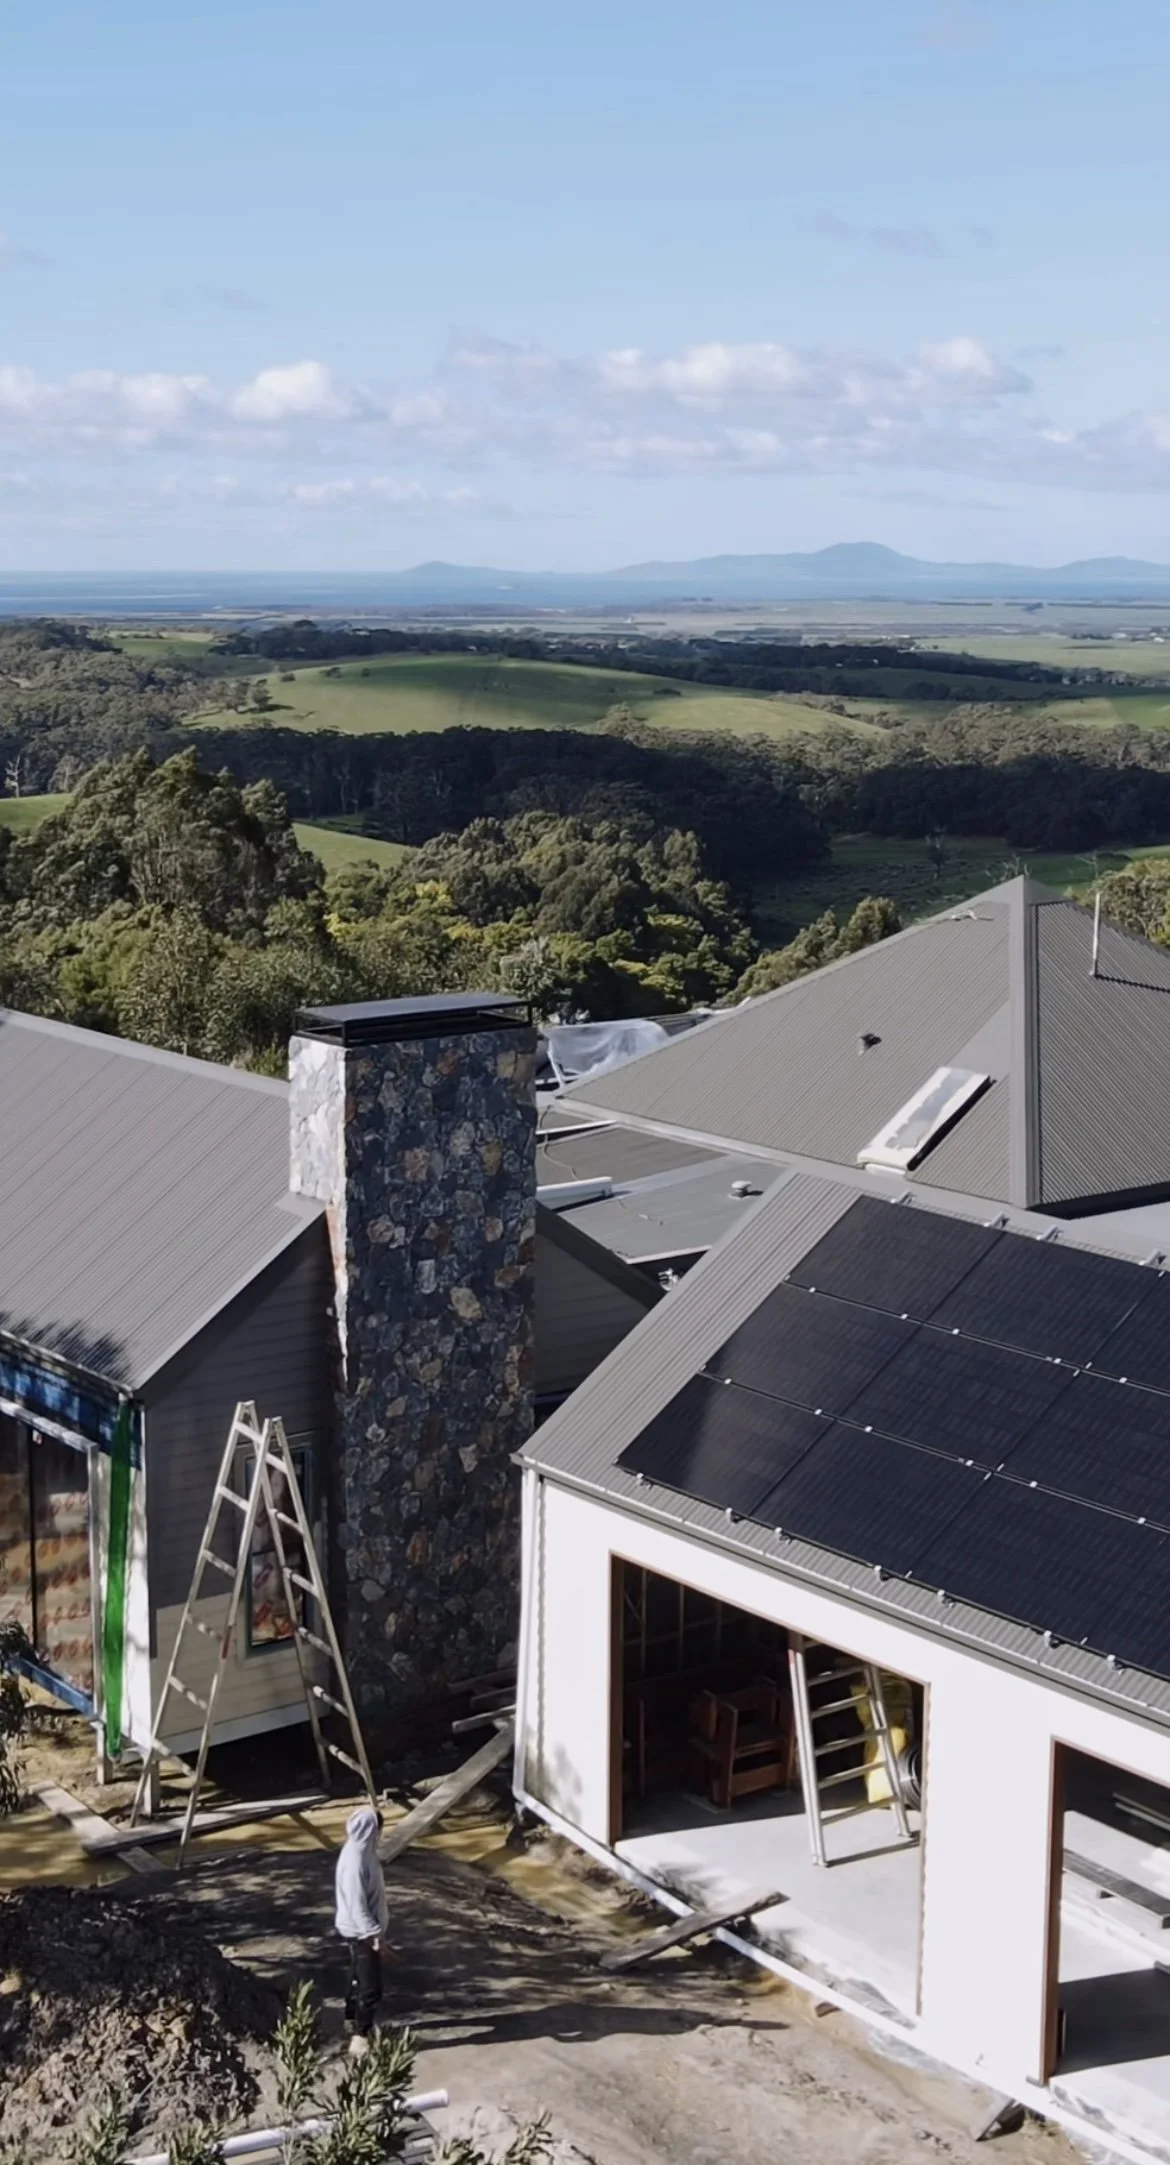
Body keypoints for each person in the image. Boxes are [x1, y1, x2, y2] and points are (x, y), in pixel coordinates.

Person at [335, 1804, 388, 2054]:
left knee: (357, 1976)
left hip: (361, 1930)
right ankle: (361, 2037)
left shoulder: (362, 1850)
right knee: (371, 1987)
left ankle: (350, 2018)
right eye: (378, 1830)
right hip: (361, 1932)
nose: (380, 1835)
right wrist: (373, 1935)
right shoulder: (356, 1860)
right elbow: (357, 1904)